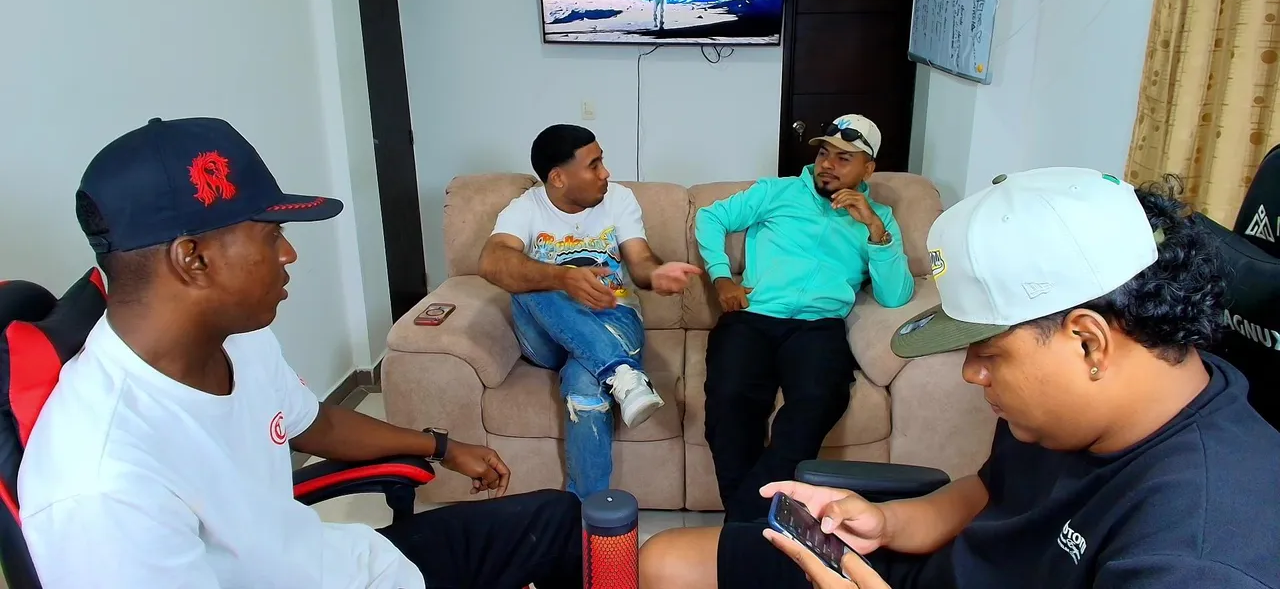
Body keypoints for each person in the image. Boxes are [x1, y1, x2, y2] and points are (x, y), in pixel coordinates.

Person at [641, 168, 1280, 589]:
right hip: (930, 568)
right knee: (665, 561)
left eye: (989, 351)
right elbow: (987, 492)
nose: (972, 373)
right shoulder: (1073, 413)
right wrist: (887, 523)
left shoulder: (1200, 549)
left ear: (1088, 340)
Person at [18, 117, 583, 589]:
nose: (288, 254)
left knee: (561, 520)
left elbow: (313, 423)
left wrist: (441, 446)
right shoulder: (102, 487)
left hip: (345, 565)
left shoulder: (236, 337)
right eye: (271, 236)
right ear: (193, 258)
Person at [694, 114, 914, 522]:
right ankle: (756, 523)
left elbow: (895, 295)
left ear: (868, 169)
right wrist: (721, 276)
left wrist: (873, 228)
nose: (827, 164)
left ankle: (743, 520)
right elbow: (710, 217)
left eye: (844, 158)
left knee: (820, 399)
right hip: (753, 316)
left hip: (818, 327)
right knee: (730, 402)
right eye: (824, 153)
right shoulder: (777, 192)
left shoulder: (879, 217)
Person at [478, 124, 700, 498]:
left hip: (614, 317)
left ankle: (585, 509)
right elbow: (490, 262)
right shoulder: (525, 208)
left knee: (583, 385)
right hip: (549, 334)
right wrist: (563, 278)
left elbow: (640, 260)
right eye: (594, 165)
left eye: (602, 161)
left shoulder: (620, 199)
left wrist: (655, 274)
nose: (605, 173)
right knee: (525, 279)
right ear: (558, 178)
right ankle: (621, 371)